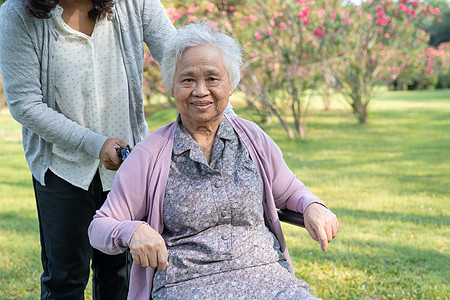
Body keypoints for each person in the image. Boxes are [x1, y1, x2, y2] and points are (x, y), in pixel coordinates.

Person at [0, 0, 236, 299]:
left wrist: (233, 126)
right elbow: (25, 104)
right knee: (66, 277)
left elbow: (184, 61)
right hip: (62, 166)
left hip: (129, 167)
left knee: (120, 277)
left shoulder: (134, 4)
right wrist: (95, 145)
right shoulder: (17, 13)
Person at [88, 22, 339, 300]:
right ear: (172, 87)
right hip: (187, 284)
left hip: (267, 277)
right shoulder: (150, 154)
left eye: (212, 78)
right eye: (187, 80)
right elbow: (100, 226)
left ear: (230, 85)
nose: (200, 91)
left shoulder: (252, 138)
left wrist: (313, 206)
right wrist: (132, 230)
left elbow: (291, 191)